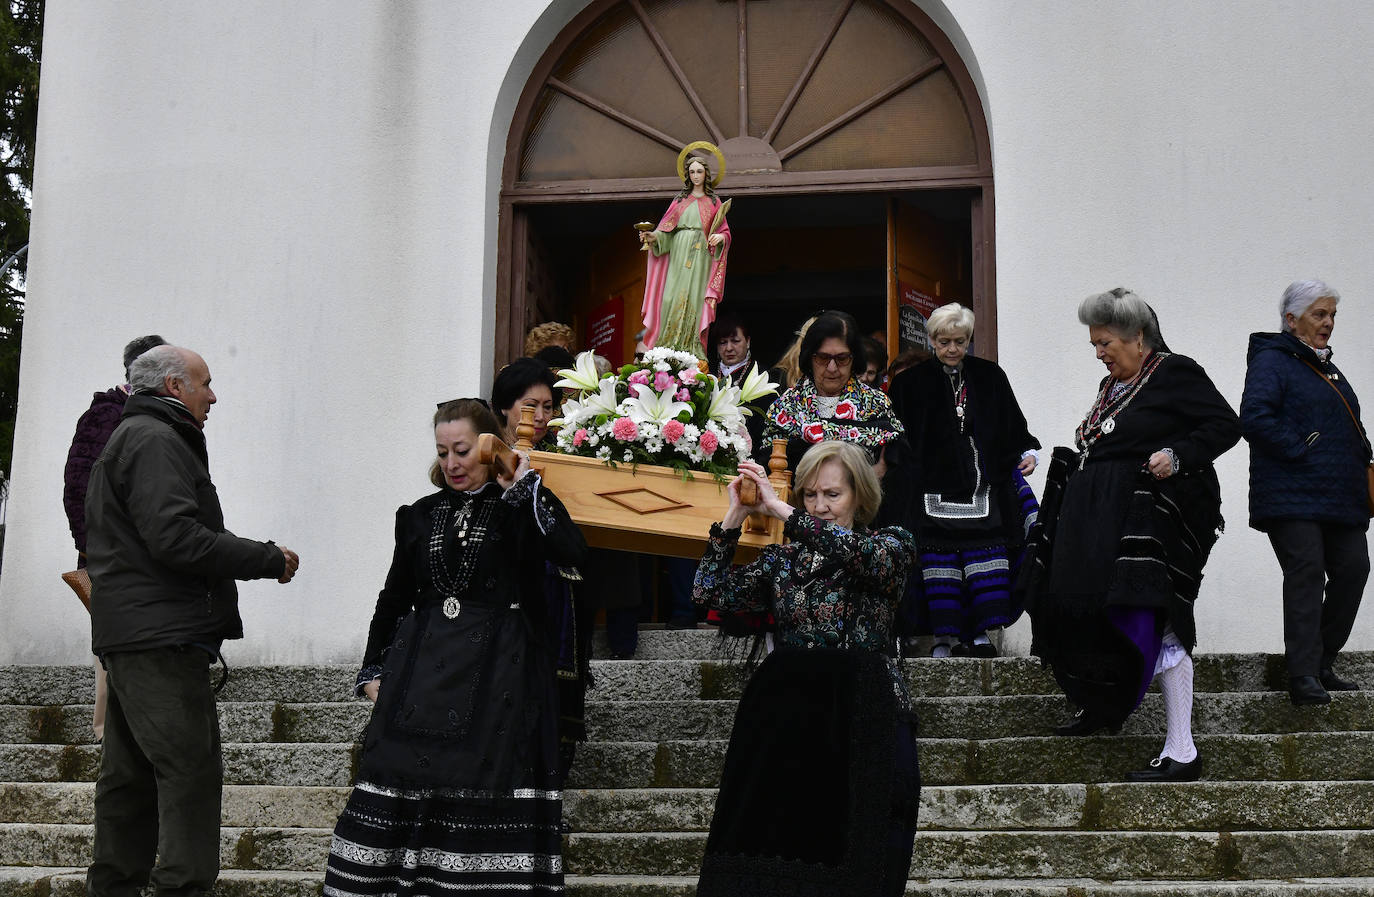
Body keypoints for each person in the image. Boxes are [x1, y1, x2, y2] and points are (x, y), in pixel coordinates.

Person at [324, 399, 587, 896]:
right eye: (443, 452)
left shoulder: (520, 507)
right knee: (404, 781)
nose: (451, 464)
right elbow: (394, 597)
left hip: (501, 678)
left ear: (490, 448)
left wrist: (524, 489)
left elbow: (573, 552)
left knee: (480, 787)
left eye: (462, 450)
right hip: (422, 673)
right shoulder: (419, 516)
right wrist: (371, 668)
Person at [85, 345, 300, 897]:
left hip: (136, 633)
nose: (213, 395)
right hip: (161, 636)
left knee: (128, 784)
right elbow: (175, 537)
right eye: (205, 383)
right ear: (175, 387)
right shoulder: (156, 440)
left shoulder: (137, 437)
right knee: (188, 776)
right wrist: (267, 558)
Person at [1023, 289, 1239, 783]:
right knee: (1086, 610)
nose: (1098, 352)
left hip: (1149, 519)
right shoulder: (1110, 386)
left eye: (1105, 342)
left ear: (1137, 337)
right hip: (1098, 518)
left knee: (1150, 611)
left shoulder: (1175, 371)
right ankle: (1102, 706)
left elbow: (1227, 425)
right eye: (1095, 343)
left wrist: (1178, 454)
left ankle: (1182, 749)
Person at [692, 442, 920, 896]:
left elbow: (858, 556)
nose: (820, 506)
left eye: (832, 495)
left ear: (860, 495)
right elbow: (708, 595)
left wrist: (782, 510)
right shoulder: (782, 560)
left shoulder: (891, 544)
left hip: (863, 712)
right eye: (810, 496)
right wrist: (735, 516)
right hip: (789, 718)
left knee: (869, 841)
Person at [1241, 279, 1370, 705]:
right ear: (1291, 320)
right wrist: (1301, 447)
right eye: (1320, 314)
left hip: (1338, 495)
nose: (1329, 322)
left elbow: (1347, 423)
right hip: (1291, 493)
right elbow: (1255, 417)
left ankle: (1321, 661)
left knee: (1354, 570)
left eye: (1332, 314)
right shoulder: (1273, 360)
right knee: (1307, 572)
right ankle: (1302, 676)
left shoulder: (1326, 367)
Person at [888, 303, 1040, 657]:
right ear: (931, 340)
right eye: (944, 342)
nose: (952, 349)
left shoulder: (990, 376)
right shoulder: (909, 383)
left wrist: (1025, 454)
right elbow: (894, 434)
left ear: (969, 340)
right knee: (937, 563)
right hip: (930, 489)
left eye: (959, 341)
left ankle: (980, 634)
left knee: (984, 558)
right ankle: (944, 638)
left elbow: (1010, 424)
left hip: (983, 486)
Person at [62, 333, 166, 742]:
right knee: (113, 650)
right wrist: (91, 548)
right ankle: (109, 735)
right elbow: (78, 486)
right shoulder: (107, 415)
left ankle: (133, 733)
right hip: (111, 558)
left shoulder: (155, 418)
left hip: (145, 559)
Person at [765, 311, 905, 476]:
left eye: (842, 358)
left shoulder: (877, 404)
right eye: (823, 358)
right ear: (809, 358)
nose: (832, 368)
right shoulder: (785, 407)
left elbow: (899, 472)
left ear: (854, 360)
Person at [640, 148, 731, 355]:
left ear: (706, 174)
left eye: (699, 171)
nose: (696, 176)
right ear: (688, 175)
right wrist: (653, 237)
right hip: (678, 253)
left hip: (701, 256)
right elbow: (665, 232)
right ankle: (666, 347)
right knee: (670, 298)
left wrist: (721, 238)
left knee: (694, 300)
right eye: (692, 172)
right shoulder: (680, 201)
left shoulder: (714, 202)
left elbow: (724, 231)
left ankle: (691, 349)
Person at [491, 356, 559, 449]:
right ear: (505, 405)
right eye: (530, 406)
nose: (540, 417)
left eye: (547, 407)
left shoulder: (555, 448)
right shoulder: (489, 450)